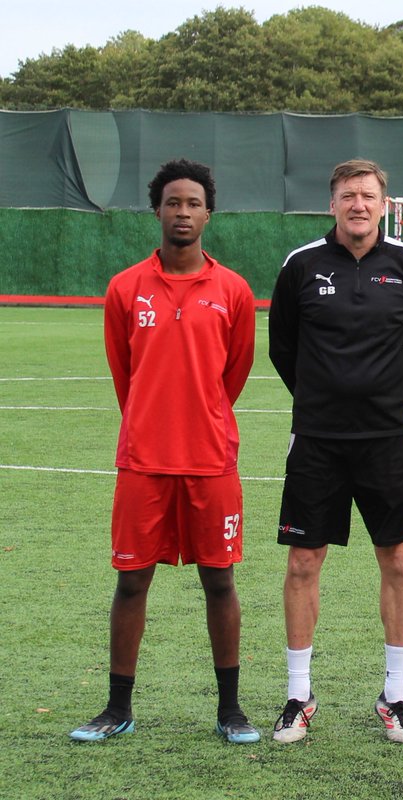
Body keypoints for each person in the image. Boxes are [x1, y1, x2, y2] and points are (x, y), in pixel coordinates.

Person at [71, 159, 258, 744]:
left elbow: (234, 374)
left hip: (210, 461)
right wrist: (153, 421)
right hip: (144, 461)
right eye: (173, 202)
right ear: (157, 210)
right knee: (131, 583)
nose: (183, 212)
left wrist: (202, 419)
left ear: (209, 214)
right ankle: (117, 708)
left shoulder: (233, 291)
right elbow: (124, 373)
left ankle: (230, 710)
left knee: (220, 582)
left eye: (193, 203)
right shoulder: (125, 288)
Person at [268, 159, 403, 744]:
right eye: (347, 196)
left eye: (368, 195)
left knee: (400, 561)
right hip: (316, 440)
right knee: (303, 562)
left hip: (387, 439)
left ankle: (396, 695)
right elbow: (283, 348)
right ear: (332, 204)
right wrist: (324, 397)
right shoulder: (301, 265)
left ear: (384, 205)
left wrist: (378, 394)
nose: (358, 205)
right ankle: (298, 696)